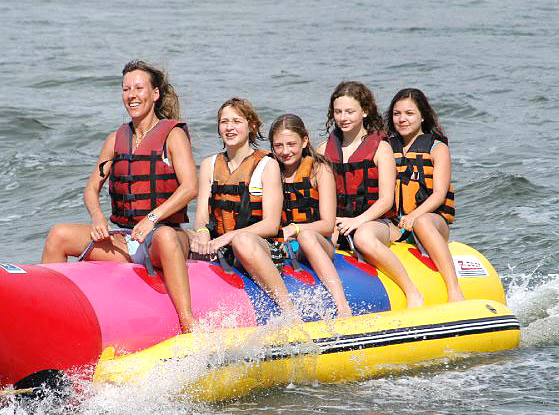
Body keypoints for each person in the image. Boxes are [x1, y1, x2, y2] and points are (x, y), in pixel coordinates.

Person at [41, 60, 198, 332]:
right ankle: (46, 317)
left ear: (155, 94)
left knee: (165, 235)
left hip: (164, 239)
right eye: (126, 89)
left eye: (139, 88)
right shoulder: (116, 139)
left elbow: (190, 188)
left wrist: (152, 218)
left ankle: (188, 324)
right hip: (126, 239)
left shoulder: (172, 136)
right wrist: (98, 217)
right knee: (59, 234)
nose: (132, 95)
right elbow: (91, 189)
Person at [317, 81, 424, 308]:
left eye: (350, 111)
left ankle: (411, 291)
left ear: (364, 111)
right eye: (338, 112)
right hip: (337, 222)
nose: (343, 117)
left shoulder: (380, 148)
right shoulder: (323, 149)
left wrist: (356, 221)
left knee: (363, 237)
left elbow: (386, 201)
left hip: (376, 222)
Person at [191, 98, 292, 313]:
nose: (229, 127)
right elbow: (201, 215)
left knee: (242, 241)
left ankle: (289, 310)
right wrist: (201, 234)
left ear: (251, 125)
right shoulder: (209, 165)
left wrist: (229, 237)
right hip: (221, 246)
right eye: (224, 122)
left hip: (262, 247)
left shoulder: (267, 165)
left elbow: (271, 225)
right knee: (178, 238)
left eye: (236, 121)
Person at [269, 114, 352, 317]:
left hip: (318, 243)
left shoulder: (319, 170)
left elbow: (327, 224)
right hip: (283, 246)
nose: (285, 151)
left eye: (291, 144)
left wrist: (296, 229)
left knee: (306, 236)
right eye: (278, 146)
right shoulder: (270, 170)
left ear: (305, 141)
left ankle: (342, 306)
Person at [386, 88, 463, 302]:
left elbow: (439, 194)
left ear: (422, 116)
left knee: (422, 223)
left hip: (432, 221)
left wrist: (413, 216)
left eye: (409, 113)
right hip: (396, 223)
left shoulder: (437, 148)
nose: (402, 119)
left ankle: (454, 289)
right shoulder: (386, 147)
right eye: (397, 114)